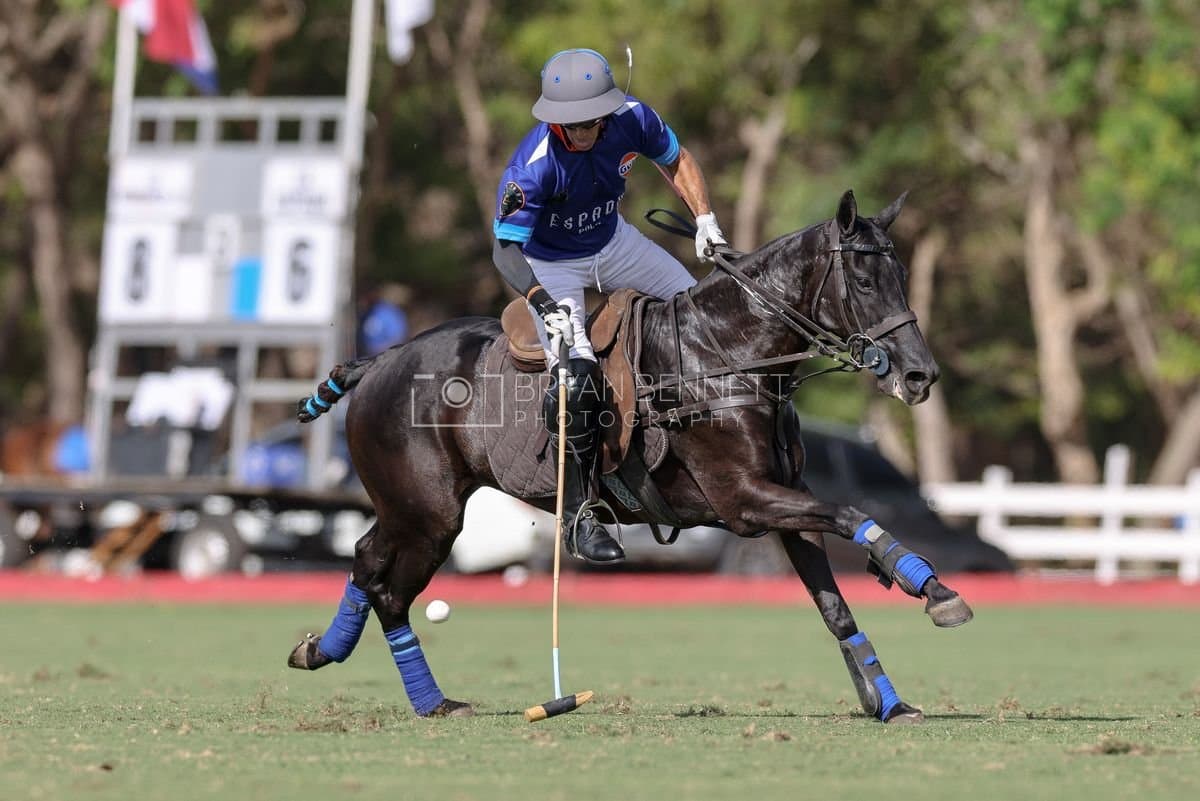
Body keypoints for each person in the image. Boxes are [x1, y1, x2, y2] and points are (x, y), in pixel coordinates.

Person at [491, 48, 727, 564]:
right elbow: (504, 247)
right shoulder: (531, 167)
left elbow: (677, 159)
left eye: (587, 120)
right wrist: (542, 300)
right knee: (574, 378)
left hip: (614, 243)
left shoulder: (632, 119)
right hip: (551, 264)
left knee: (700, 318)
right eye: (567, 123)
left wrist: (705, 219)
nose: (579, 131)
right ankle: (578, 514)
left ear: (606, 109)